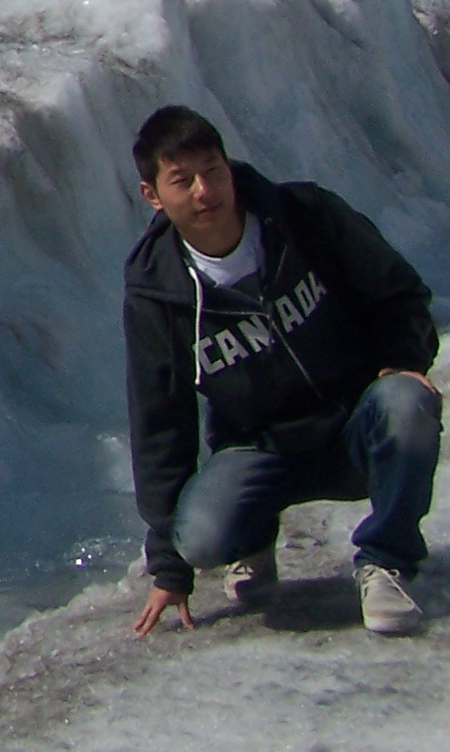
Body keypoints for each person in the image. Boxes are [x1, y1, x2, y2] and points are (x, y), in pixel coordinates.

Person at [122, 105, 441, 638]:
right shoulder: (158, 293)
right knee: (198, 538)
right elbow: (160, 420)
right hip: (261, 450)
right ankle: (250, 540)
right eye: (183, 180)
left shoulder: (304, 215)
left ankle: (385, 561)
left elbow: (400, 294)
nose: (205, 190)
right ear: (153, 195)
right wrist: (169, 566)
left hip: (354, 422)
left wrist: (403, 360)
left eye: (213, 170)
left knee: (408, 402)